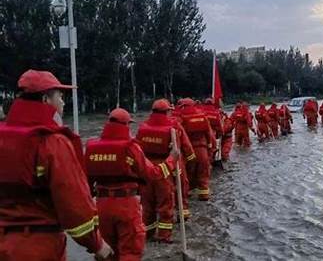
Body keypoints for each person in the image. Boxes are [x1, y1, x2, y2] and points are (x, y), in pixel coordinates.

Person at [0, 70, 112, 260]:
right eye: (59, 96)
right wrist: (97, 244)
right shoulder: (52, 142)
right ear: (45, 99)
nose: (63, 102)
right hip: (39, 246)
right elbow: (74, 206)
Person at [85, 108, 175, 260]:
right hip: (126, 205)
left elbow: (85, 183)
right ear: (126, 125)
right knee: (130, 250)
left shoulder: (91, 147)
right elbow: (153, 174)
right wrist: (172, 159)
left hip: (101, 206)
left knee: (106, 252)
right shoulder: (130, 147)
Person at [136, 99, 195, 243]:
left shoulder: (142, 127)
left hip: (147, 169)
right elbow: (183, 148)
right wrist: (190, 160)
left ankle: (147, 235)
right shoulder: (173, 127)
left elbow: (136, 149)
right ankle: (164, 236)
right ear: (167, 111)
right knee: (166, 204)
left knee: (147, 205)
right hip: (165, 168)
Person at [177, 98, 214, 201]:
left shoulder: (181, 117)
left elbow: (179, 136)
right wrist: (211, 147)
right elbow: (209, 134)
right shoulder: (202, 116)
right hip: (202, 149)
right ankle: (204, 194)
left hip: (188, 151)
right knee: (203, 172)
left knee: (188, 173)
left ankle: (187, 192)